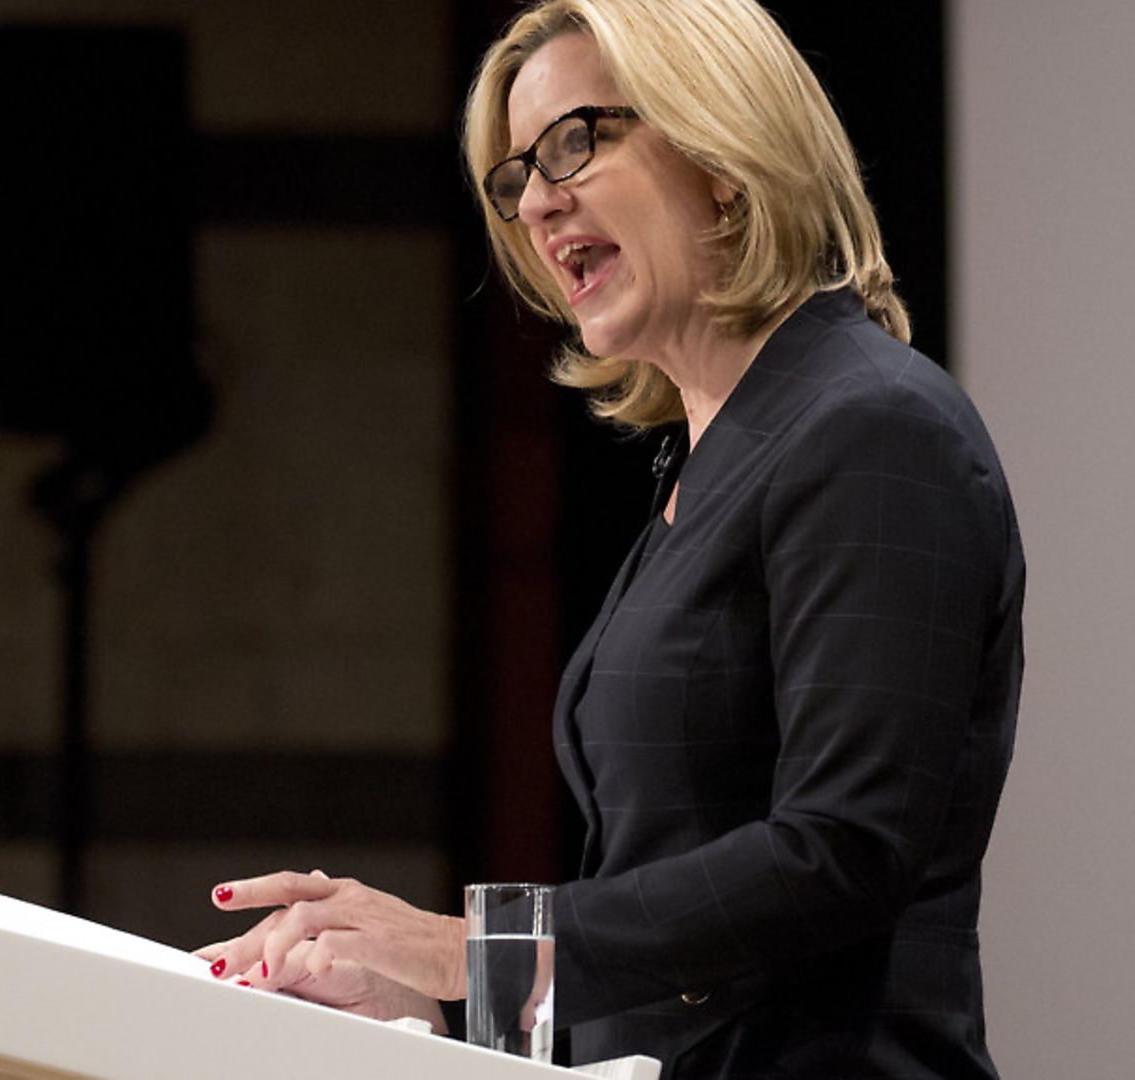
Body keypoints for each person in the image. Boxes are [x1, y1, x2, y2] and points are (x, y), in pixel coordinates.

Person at [197, 1, 1024, 1077]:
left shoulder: (871, 428)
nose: (537, 203)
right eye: (513, 180)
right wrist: (440, 1003)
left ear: (722, 153)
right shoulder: (712, 461)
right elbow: (675, 926)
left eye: (575, 142)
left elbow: (842, 852)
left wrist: (477, 948)